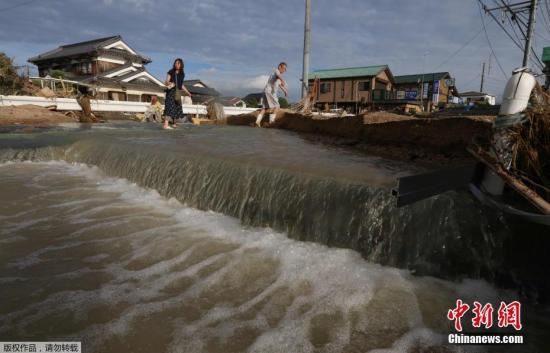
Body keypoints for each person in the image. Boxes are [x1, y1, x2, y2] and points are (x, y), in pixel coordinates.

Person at [256, 62, 288, 127]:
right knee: (277, 106)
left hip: (265, 91)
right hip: (269, 92)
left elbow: (280, 85)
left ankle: (257, 122)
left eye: (285, 70)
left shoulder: (277, 77)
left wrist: (285, 91)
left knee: (264, 108)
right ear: (279, 67)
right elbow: (278, 75)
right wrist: (282, 80)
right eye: (284, 69)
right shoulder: (276, 71)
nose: (284, 71)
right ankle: (271, 123)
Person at [163, 58, 192, 129]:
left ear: (181, 65)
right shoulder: (171, 71)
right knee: (169, 106)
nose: (176, 64)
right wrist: (171, 83)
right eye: (175, 63)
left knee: (176, 107)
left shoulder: (182, 74)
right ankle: (165, 125)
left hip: (178, 92)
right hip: (170, 92)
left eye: (178, 63)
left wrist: (188, 92)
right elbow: (166, 82)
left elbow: (181, 85)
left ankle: (174, 124)